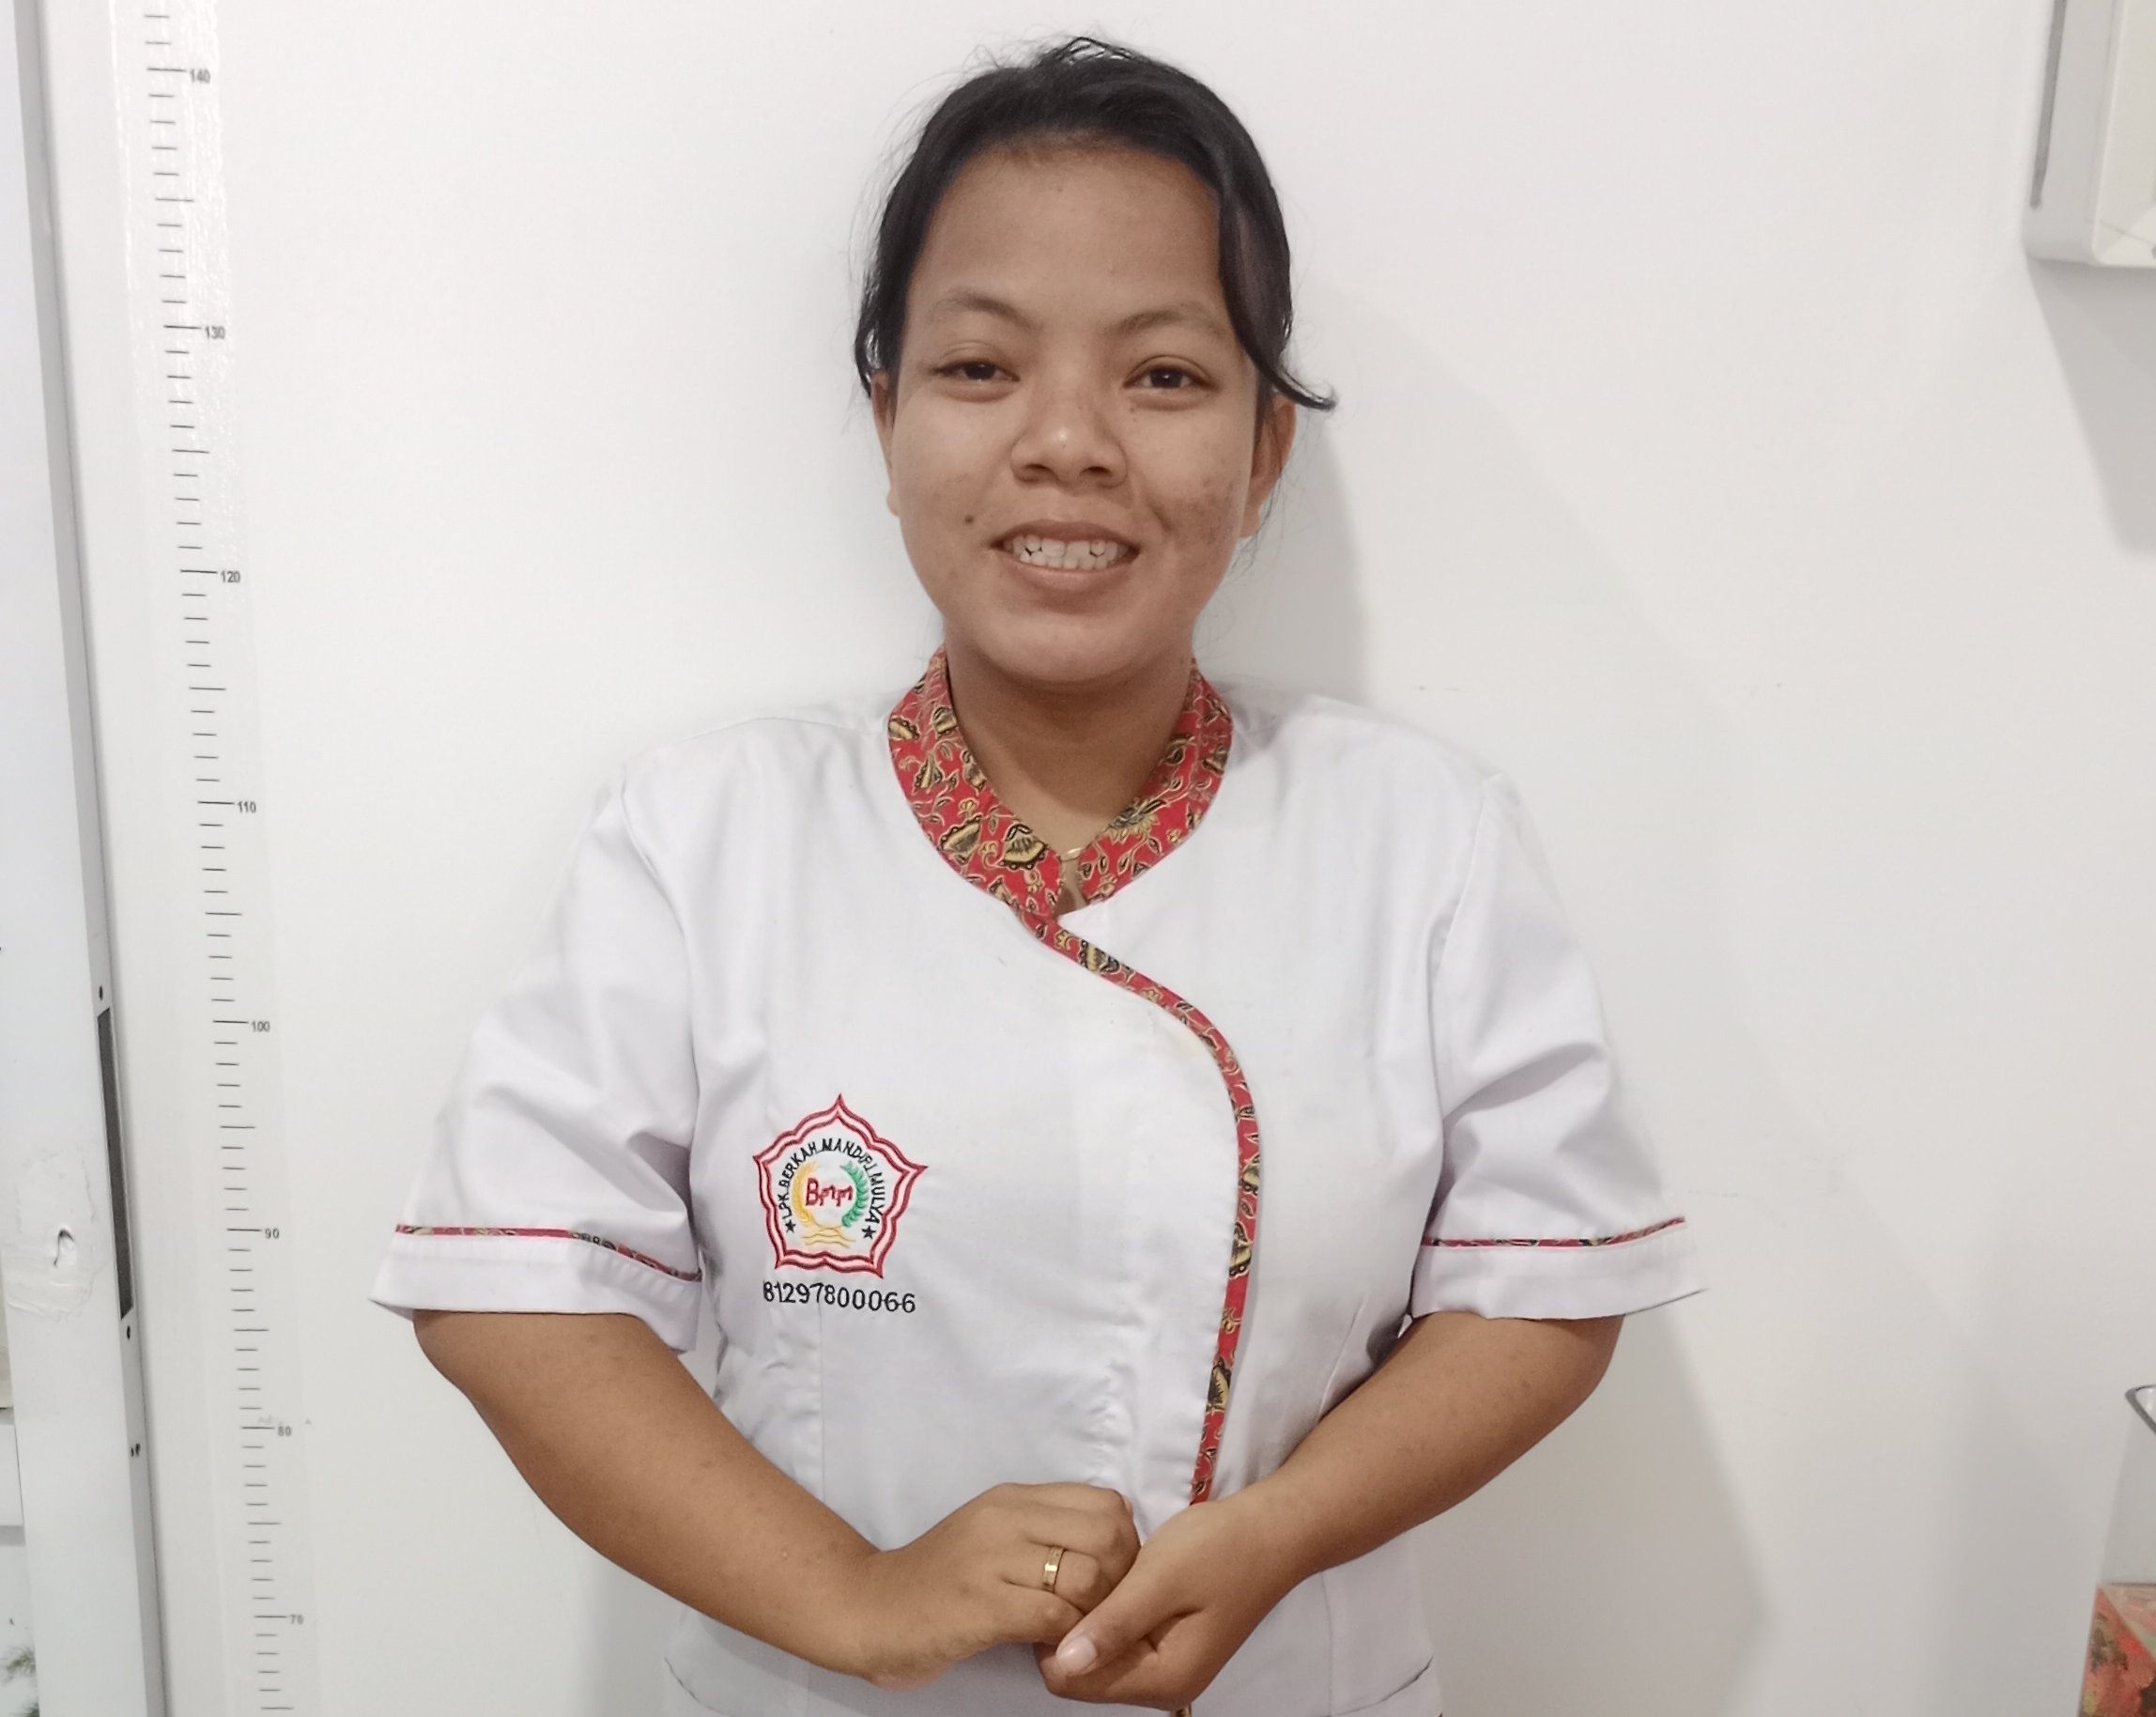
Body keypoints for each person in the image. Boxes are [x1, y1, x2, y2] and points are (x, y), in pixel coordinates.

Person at [369, 34, 1705, 1717]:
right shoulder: (699, 838)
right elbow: (514, 1294)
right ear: (887, 419)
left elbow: (1547, 1288)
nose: (1067, 441)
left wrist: (1279, 1534)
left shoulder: (1424, 837)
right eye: (981, 366)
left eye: (1165, 375)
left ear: (1265, 450)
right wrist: (852, 1594)